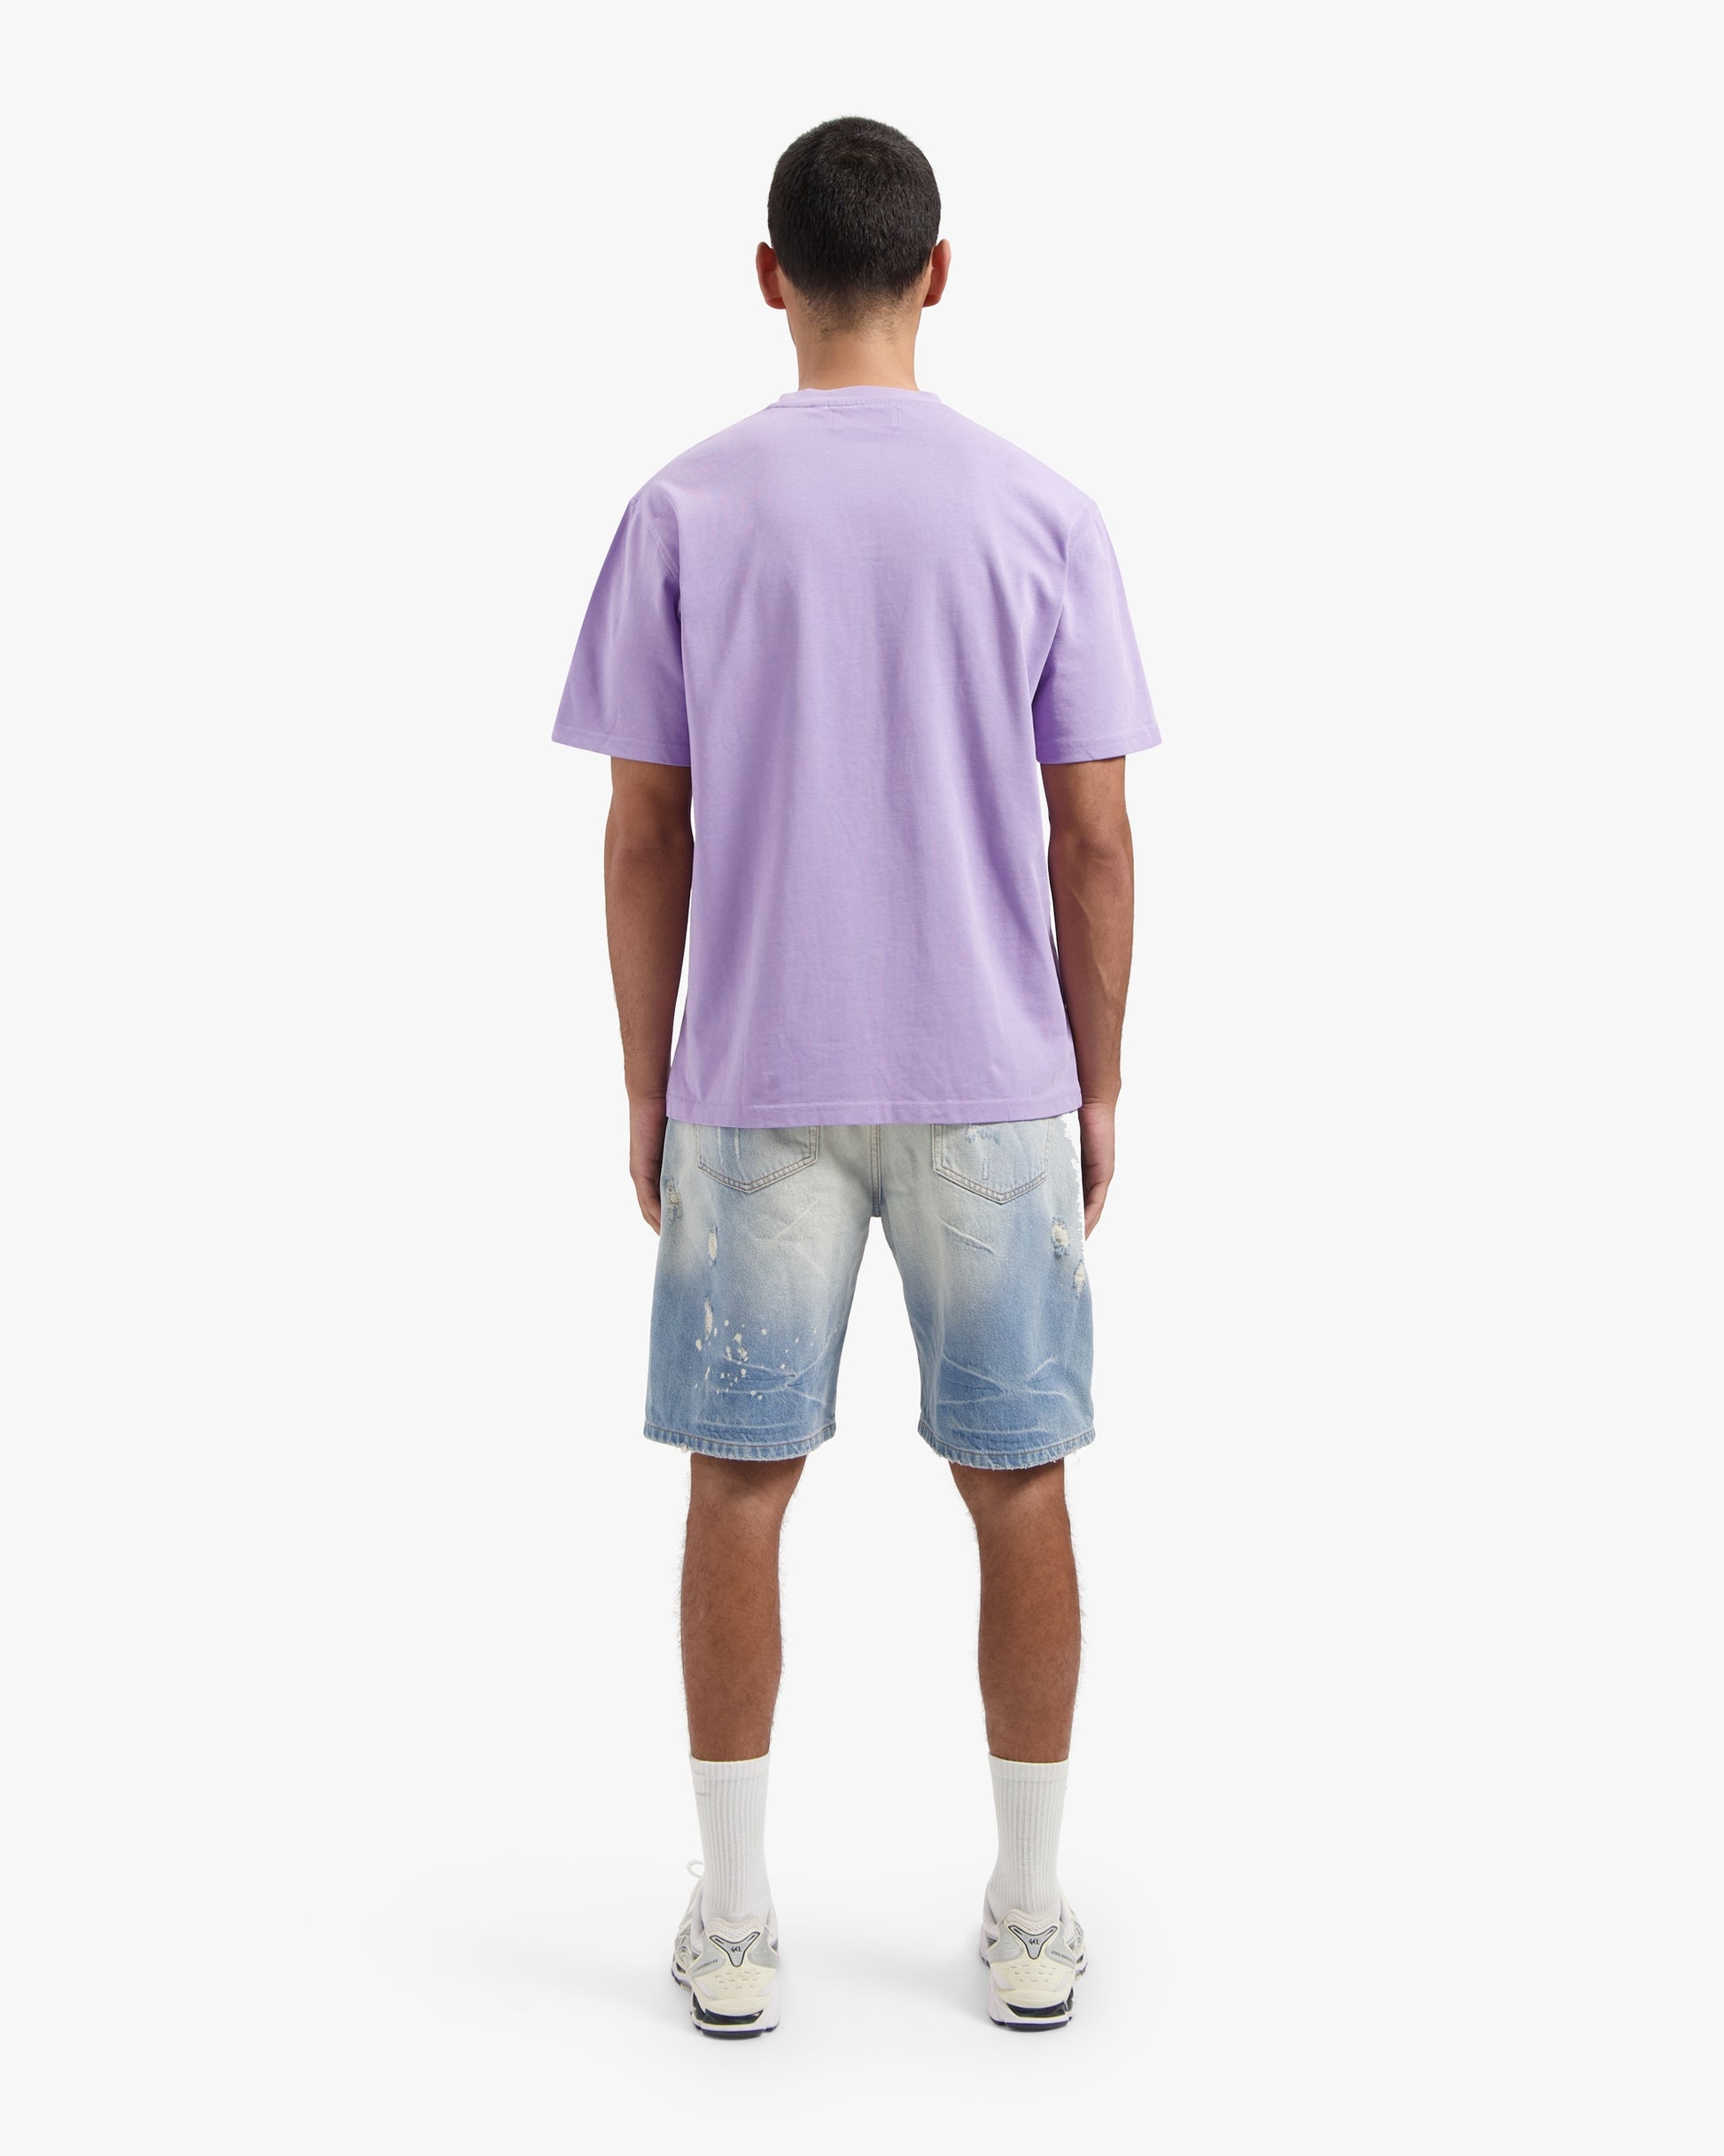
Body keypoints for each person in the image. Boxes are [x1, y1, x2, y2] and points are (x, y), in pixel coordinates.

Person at [551, 115, 1159, 2036]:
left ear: (768, 276)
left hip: (754, 1074)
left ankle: (734, 1924)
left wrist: (644, 1081)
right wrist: (1098, 1082)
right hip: (994, 1072)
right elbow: (1094, 841)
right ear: (938, 272)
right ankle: (1032, 1913)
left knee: (738, 1485)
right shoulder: (1041, 511)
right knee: (1018, 1483)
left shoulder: (682, 508)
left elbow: (646, 833)